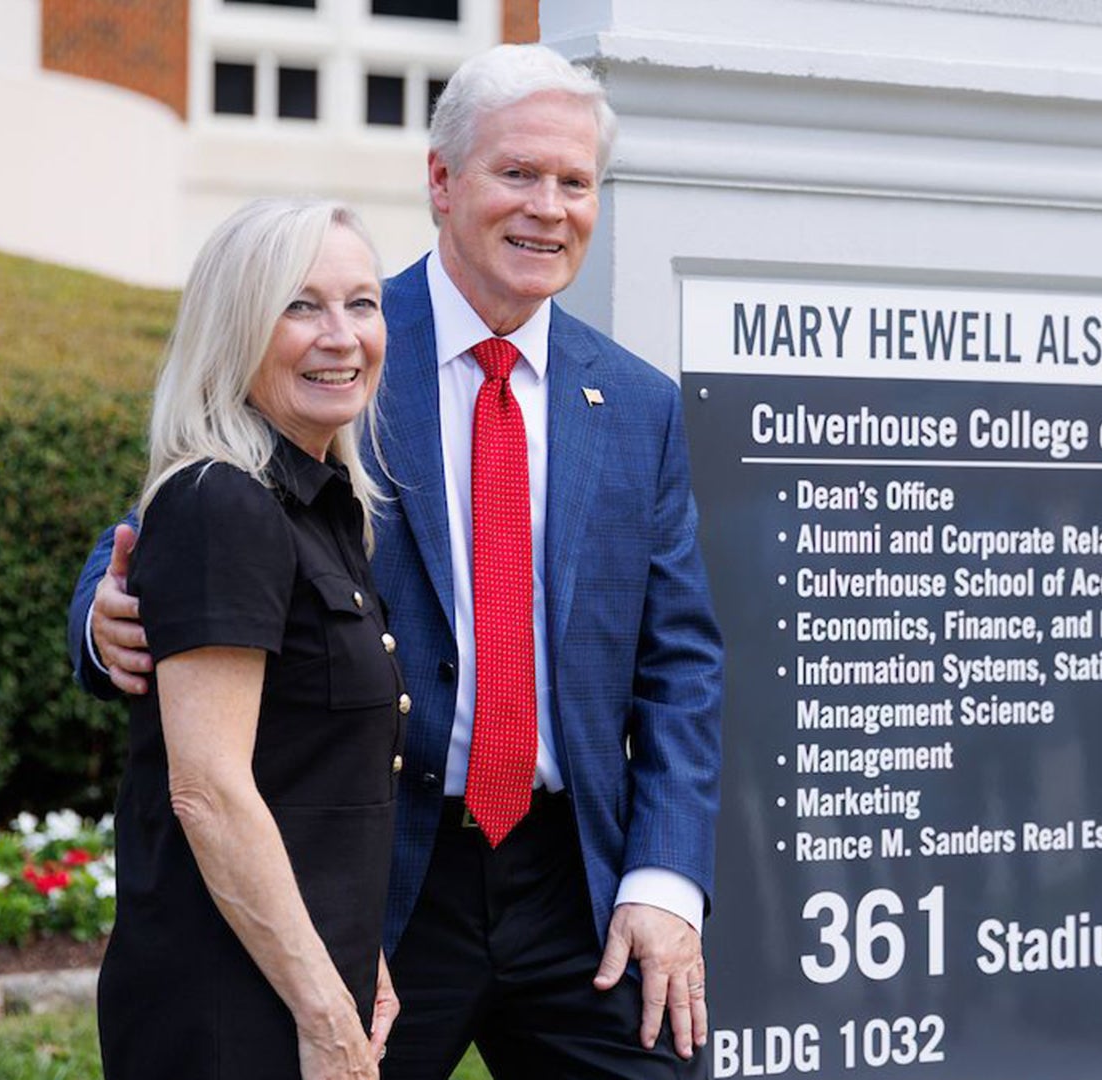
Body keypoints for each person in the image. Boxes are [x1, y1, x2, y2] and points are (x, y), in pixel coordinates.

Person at [69, 45, 724, 1079]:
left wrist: (664, 882)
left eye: (573, 182)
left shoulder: (636, 404)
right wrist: (100, 619)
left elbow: (682, 661)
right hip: (380, 882)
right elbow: (193, 510)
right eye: (517, 174)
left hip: (574, 885)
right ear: (440, 182)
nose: (547, 208)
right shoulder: (341, 343)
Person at [92, 197, 403, 1080]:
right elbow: (210, 792)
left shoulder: (325, 502)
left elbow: (308, 771)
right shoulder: (222, 503)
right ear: (235, 328)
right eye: (299, 306)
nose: (341, 335)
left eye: (362, 303)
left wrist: (356, 953)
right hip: (231, 1006)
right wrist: (323, 1013)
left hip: (299, 971)